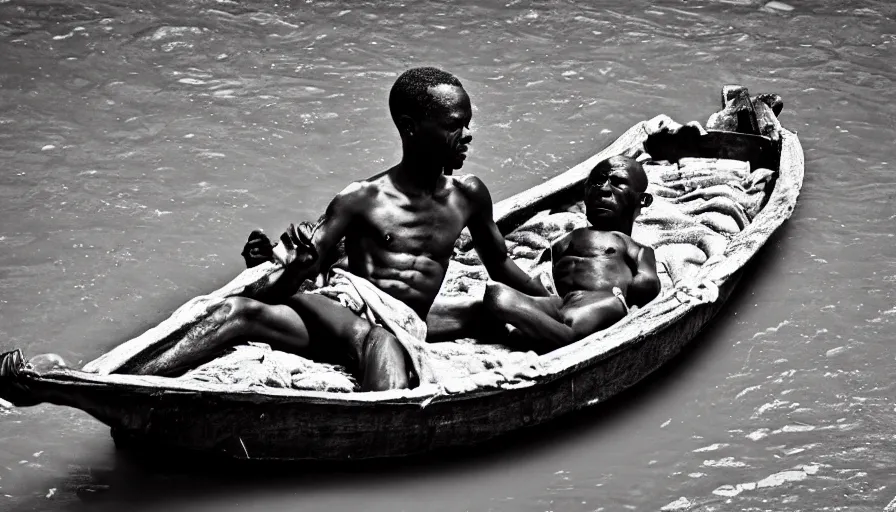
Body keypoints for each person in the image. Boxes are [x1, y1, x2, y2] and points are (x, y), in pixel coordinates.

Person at [125, 67, 550, 390]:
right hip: (346, 315)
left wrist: (553, 302)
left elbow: (500, 263)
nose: (468, 134)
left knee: (459, 320)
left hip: (405, 322)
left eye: (468, 122)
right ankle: (131, 380)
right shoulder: (360, 200)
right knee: (239, 311)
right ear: (410, 127)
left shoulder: (469, 195)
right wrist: (296, 268)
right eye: (455, 124)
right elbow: (288, 285)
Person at [483, 155, 660, 351]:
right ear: (585, 193)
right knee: (491, 302)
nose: (604, 188)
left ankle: (549, 330)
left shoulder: (633, 246)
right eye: (598, 181)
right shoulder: (562, 240)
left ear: (643, 200)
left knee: (505, 300)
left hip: (605, 301)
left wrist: (631, 294)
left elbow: (648, 282)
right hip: (563, 303)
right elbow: (542, 278)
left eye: (618, 183)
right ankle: (532, 321)